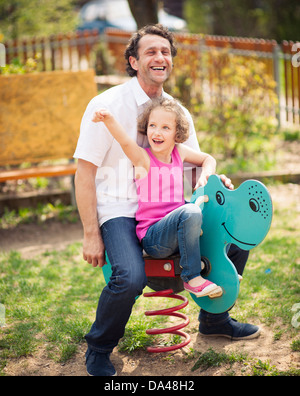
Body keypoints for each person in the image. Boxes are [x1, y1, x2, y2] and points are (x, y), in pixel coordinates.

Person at [74, 24, 260, 377]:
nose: (160, 57)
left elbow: (191, 169)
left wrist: (213, 180)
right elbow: (84, 174)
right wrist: (89, 233)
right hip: (119, 211)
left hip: (170, 210)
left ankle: (215, 318)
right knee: (128, 277)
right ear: (133, 61)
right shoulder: (106, 105)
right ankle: (99, 347)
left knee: (234, 234)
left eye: (165, 51)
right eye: (150, 52)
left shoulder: (177, 113)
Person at [92, 97, 224, 298]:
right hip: (154, 238)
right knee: (190, 211)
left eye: (165, 127)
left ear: (177, 134)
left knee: (214, 215)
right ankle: (192, 278)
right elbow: (125, 141)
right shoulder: (143, 159)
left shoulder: (179, 152)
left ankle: (222, 270)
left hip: (178, 227)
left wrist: (206, 173)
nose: (157, 132)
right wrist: (108, 119)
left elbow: (208, 158)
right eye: (152, 125)